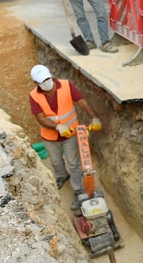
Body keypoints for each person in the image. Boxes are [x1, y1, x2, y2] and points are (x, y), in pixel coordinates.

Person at [29, 65, 102, 210]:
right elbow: (40, 118)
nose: (46, 82)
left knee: (74, 163)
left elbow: (82, 102)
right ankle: (62, 175)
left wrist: (94, 118)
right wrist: (57, 127)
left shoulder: (66, 85)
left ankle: (79, 190)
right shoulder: (34, 95)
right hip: (50, 136)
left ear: (51, 76)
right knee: (56, 162)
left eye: (47, 79)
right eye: (42, 81)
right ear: (36, 83)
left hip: (71, 134)